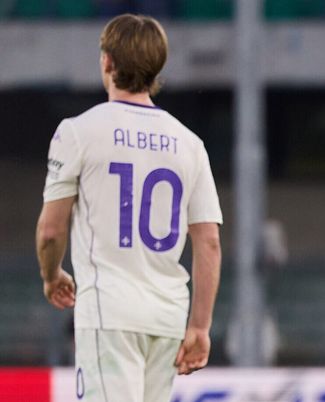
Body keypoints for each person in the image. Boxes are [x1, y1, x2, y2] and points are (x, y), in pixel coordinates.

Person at [35, 14, 223, 402]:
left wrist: (51, 274)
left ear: (107, 61)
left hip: (109, 311)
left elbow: (51, 230)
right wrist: (200, 326)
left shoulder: (78, 132)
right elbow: (208, 244)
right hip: (168, 317)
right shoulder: (189, 144)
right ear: (157, 68)